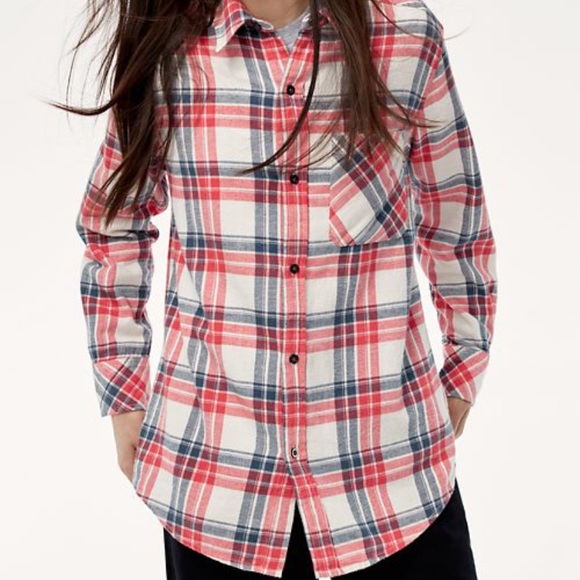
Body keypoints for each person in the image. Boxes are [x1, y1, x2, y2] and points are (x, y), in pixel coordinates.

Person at [63, 0, 498, 578]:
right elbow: (113, 222)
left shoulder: (405, 38)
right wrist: (124, 393)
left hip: (392, 485)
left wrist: (465, 366)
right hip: (218, 489)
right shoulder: (170, 52)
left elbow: (457, 218)